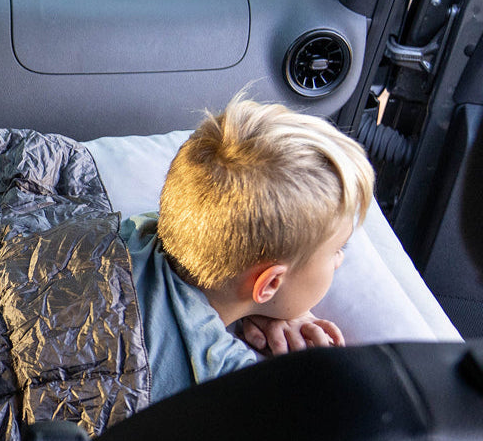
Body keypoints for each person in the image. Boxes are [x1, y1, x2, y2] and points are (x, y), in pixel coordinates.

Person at [121, 93, 375, 403]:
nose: (340, 259)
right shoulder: (216, 376)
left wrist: (273, 306)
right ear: (269, 283)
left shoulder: (135, 230)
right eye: (338, 248)